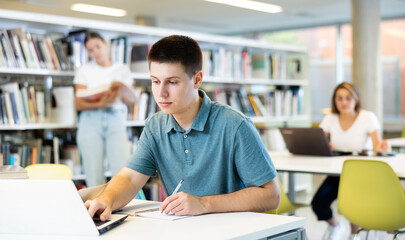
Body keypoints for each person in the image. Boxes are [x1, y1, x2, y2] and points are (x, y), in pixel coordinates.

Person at [85, 35, 281, 221]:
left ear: (197, 79)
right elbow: (129, 178)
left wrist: (204, 204)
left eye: (172, 82)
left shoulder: (234, 125)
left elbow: (271, 195)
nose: (161, 93)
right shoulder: (155, 125)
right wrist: (106, 200)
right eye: (155, 81)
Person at [311, 82, 389, 240]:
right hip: (338, 172)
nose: (344, 102)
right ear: (334, 100)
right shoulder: (330, 118)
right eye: (339, 98)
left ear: (356, 99)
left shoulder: (367, 117)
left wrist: (382, 147)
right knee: (318, 203)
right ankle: (336, 225)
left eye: (348, 98)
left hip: (362, 172)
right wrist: (327, 146)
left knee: (352, 207)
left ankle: (355, 234)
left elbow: (377, 147)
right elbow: (319, 143)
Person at [74, 31, 135, 187]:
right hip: (90, 122)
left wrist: (122, 91)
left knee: (122, 170)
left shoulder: (122, 68)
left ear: (106, 45)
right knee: (93, 172)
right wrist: (100, 104)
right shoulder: (84, 70)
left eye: (97, 47)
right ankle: (97, 209)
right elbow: (78, 103)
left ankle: (123, 206)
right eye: (90, 50)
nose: (95, 52)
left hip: (115, 118)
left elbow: (130, 100)